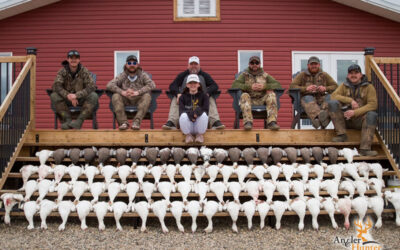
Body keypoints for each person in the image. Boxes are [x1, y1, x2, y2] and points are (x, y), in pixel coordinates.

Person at [328, 64, 378, 156]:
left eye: (356, 73)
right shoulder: (343, 85)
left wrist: (355, 112)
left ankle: (365, 149)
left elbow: (373, 104)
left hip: (361, 121)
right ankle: (342, 135)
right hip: (345, 120)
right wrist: (350, 101)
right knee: (332, 103)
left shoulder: (369, 87)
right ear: (348, 75)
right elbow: (333, 96)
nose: (353, 75)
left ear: (361, 75)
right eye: (351, 73)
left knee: (372, 114)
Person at [163, 56, 224, 130]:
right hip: (186, 100)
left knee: (210, 98)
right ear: (188, 65)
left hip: (201, 99)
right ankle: (172, 122)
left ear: (199, 65)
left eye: (195, 64)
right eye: (191, 64)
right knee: (176, 98)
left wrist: (207, 93)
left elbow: (215, 86)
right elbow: (173, 85)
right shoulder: (183, 75)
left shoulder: (204, 75)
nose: (193, 66)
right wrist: (178, 94)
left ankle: (215, 122)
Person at [51, 50, 98, 130]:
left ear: (79, 60)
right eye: (71, 58)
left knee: (94, 95)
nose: (73, 60)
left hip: (81, 98)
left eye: (76, 58)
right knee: (54, 95)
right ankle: (68, 121)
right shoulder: (62, 72)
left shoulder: (84, 71)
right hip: (66, 99)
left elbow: (92, 86)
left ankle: (79, 121)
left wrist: (76, 95)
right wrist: (67, 95)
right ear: (68, 59)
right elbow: (56, 86)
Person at [231, 56, 281, 130]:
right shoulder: (244, 75)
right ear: (249, 64)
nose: (254, 64)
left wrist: (264, 86)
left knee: (271, 95)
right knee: (244, 95)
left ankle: (271, 122)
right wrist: (249, 87)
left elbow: (277, 84)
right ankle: (248, 122)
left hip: (262, 99)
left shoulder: (265, 75)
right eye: (252, 63)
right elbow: (234, 85)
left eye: (256, 63)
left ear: (259, 64)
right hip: (249, 100)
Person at [106, 55, 155, 130]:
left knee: (147, 96)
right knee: (115, 96)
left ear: (137, 65)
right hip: (126, 99)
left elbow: (152, 85)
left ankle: (136, 122)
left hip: (139, 99)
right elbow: (109, 85)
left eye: (134, 63)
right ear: (126, 65)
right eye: (129, 63)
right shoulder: (122, 75)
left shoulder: (142, 75)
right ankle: (123, 123)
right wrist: (122, 92)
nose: (132, 65)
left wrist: (138, 92)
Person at [290, 56, 338, 128]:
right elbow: (292, 86)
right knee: (308, 98)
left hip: (321, 99)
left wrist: (325, 88)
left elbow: (335, 86)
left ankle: (318, 121)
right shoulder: (302, 75)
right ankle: (319, 118)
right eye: (311, 64)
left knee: (330, 98)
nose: (313, 66)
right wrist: (306, 89)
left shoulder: (324, 75)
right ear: (308, 65)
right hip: (307, 99)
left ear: (319, 65)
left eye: (315, 64)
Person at [179, 74, 209, 143]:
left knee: (204, 115)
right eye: (190, 83)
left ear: (198, 84)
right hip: (188, 125)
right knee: (183, 116)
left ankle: (199, 135)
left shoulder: (204, 96)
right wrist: (191, 114)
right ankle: (188, 135)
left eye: (195, 83)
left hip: (198, 125)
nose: (193, 85)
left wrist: (197, 112)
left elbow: (206, 109)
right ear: (187, 85)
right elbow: (181, 111)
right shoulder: (182, 97)